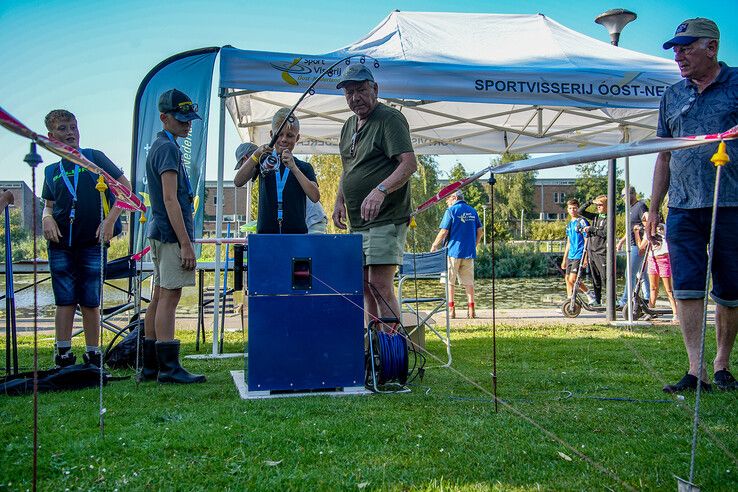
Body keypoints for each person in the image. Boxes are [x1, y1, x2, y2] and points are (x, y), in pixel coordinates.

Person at [647, 18, 738, 392]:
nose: (678, 55)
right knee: (685, 287)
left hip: (731, 203)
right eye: (675, 50)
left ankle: (721, 364)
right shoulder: (672, 95)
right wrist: (654, 208)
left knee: (730, 289)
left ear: (712, 47)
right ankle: (695, 368)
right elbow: (664, 156)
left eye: (686, 47)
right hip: (682, 207)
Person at [41, 109, 129, 368]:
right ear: (51, 135)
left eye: (73, 127)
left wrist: (111, 220)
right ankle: (64, 355)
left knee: (90, 300)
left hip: (93, 240)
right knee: (64, 299)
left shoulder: (94, 157)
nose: (70, 133)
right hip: (60, 244)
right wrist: (46, 218)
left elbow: (125, 190)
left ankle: (93, 354)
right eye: (63, 129)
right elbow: (48, 205)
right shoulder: (51, 170)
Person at [332, 64, 417, 324]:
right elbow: (349, 168)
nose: (355, 97)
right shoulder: (348, 126)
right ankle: (373, 350)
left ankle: (393, 354)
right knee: (364, 286)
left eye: (360, 90)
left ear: (375, 89)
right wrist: (339, 200)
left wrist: (381, 190)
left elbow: (409, 163)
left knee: (379, 284)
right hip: (357, 222)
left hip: (386, 217)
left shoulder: (389, 119)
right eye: (348, 93)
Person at [142, 89, 205, 384]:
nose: (187, 124)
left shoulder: (161, 145)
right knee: (170, 295)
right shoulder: (167, 149)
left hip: (159, 231)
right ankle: (168, 368)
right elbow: (170, 200)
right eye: (181, 119)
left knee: (157, 295)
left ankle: (150, 366)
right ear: (164, 118)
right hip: (169, 234)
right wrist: (185, 243)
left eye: (190, 118)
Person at [233, 108, 319, 234]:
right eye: (279, 134)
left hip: (296, 235)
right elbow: (238, 181)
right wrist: (256, 155)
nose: (284, 139)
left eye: (290, 135)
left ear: (297, 138)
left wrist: (294, 168)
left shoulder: (304, 167)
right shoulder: (263, 162)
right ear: (271, 135)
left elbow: (315, 196)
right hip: (266, 235)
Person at [430, 191, 482, 318]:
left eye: (447, 199)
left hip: (452, 252)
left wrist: (434, 245)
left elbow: (444, 231)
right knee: (469, 282)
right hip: (468, 252)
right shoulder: (472, 211)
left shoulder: (451, 211)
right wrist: (473, 245)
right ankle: (471, 310)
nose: (447, 203)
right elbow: (480, 231)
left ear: (454, 197)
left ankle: (451, 310)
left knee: (450, 282)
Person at [635, 212, 678, 321]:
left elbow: (665, 233)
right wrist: (637, 233)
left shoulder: (662, 227)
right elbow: (641, 247)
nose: (644, 222)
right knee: (653, 287)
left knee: (668, 289)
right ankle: (651, 310)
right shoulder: (647, 231)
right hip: (652, 259)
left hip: (663, 258)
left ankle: (676, 313)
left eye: (645, 220)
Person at [617, 186, 649, 309]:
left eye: (624, 195)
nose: (623, 198)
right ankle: (647, 297)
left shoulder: (640, 206)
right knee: (642, 274)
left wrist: (643, 244)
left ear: (633, 194)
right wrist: (621, 241)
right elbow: (630, 228)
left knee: (629, 273)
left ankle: (625, 300)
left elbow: (647, 222)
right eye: (622, 196)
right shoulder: (630, 209)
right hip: (631, 244)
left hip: (637, 245)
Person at [561, 199, 596, 303]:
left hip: (579, 254)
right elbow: (569, 242)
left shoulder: (582, 222)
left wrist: (585, 257)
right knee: (567, 279)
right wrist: (564, 259)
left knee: (574, 279)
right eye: (570, 208)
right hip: (571, 255)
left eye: (575, 208)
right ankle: (570, 301)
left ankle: (590, 294)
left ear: (577, 208)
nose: (573, 210)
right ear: (567, 210)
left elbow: (587, 239)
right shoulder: (569, 224)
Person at [579, 195, 607, 306]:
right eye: (598, 205)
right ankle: (598, 301)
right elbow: (581, 211)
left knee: (605, 277)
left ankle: (612, 300)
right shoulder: (596, 217)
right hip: (592, 251)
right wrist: (590, 201)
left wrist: (591, 229)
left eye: (601, 205)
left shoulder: (609, 218)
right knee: (595, 279)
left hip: (602, 252)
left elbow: (605, 233)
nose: (598, 207)